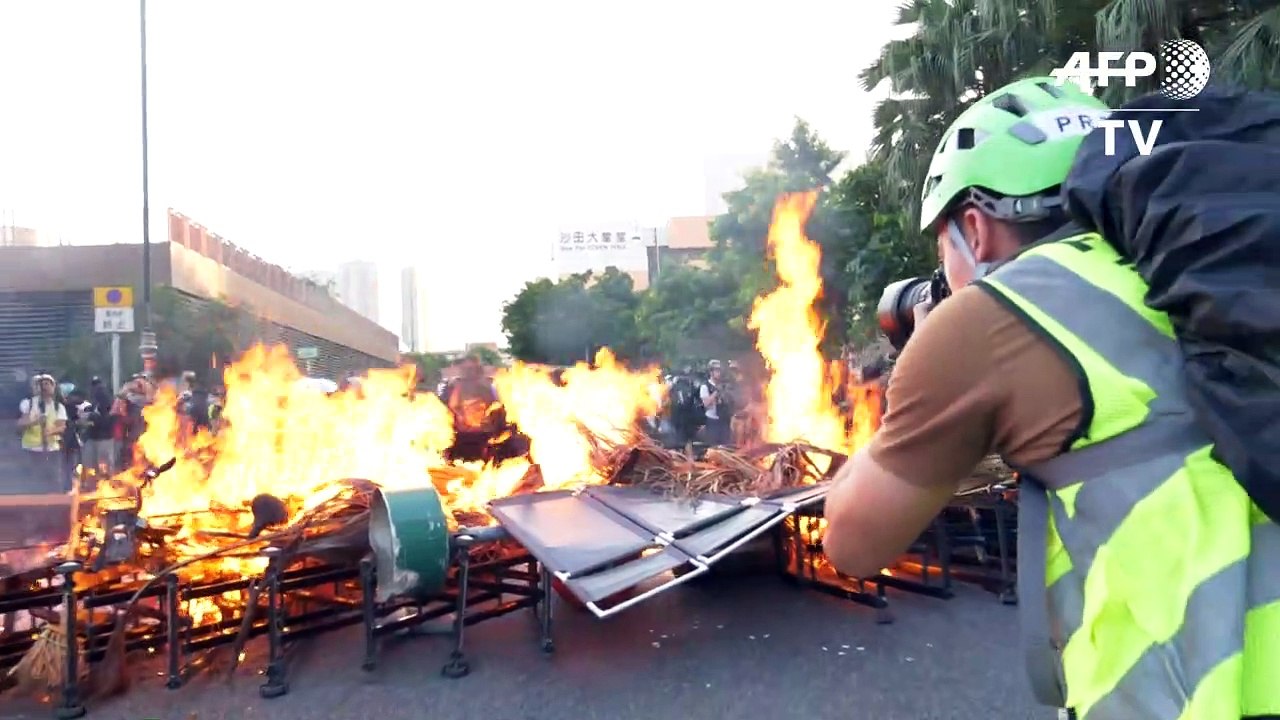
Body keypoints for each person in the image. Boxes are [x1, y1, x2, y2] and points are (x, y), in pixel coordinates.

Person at [820, 77, 1279, 719]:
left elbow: (852, 545)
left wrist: (918, 374)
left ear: (974, 230)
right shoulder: (1204, 266)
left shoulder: (986, 319)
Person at [16, 373, 68, 491]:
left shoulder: (58, 407)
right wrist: (34, 422)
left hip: (52, 449)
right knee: (34, 480)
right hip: (32, 449)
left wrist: (51, 432)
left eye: (47, 384)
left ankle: (55, 503)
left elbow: (62, 427)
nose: (45, 387)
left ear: (53, 387)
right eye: (42, 384)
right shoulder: (29, 404)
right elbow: (20, 424)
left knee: (54, 479)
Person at [698, 360, 732, 446]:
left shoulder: (723, 385)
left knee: (725, 446)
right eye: (716, 370)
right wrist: (716, 392)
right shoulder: (705, 386)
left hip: (723, 420)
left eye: (720, 370)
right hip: (712, 421)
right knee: (713, 447)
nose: (719, 373)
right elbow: (706, 403)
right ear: (711, 372)